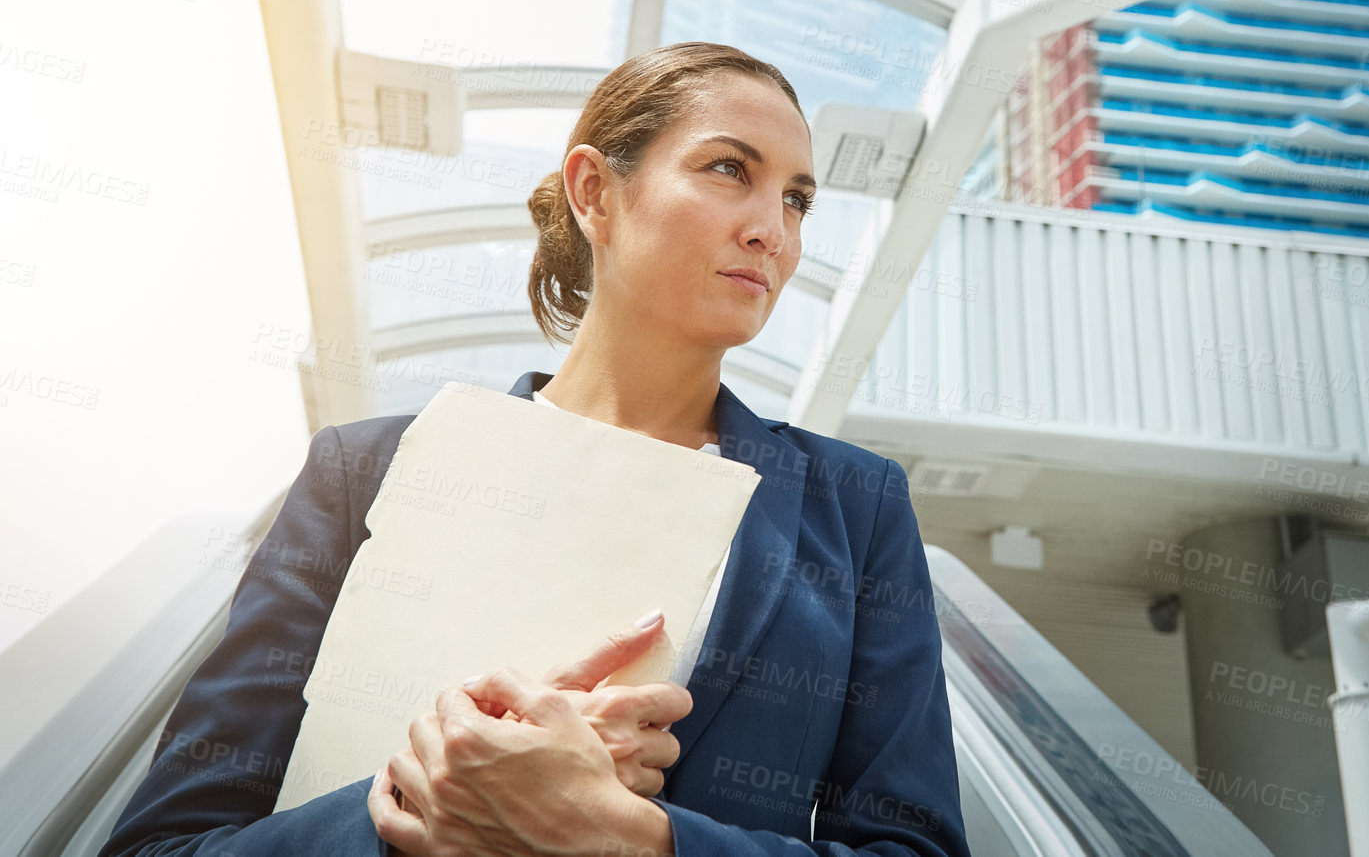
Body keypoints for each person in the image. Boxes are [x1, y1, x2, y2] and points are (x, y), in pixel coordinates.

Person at [98, 42, 972, 857]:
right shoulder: (362, 470)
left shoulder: (853, 505)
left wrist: (627, 836)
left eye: (796, 198)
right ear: (594, 191)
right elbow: (163, 843)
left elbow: (917, 846)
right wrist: (429, 799)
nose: (772, 231)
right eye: (729, 170)